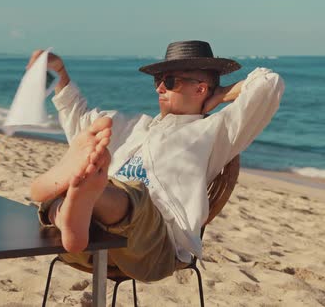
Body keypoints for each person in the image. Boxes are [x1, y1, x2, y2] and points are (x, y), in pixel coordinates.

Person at [29, 40, 285, 281]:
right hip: (91, 240)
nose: (160, 88)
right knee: (79, 173)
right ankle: (71, 210)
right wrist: (59, 71)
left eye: (170, 81)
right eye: (158, 81)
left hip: (154, 243)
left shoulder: (216, 132)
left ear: (200, 88)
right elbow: (77, 115)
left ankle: (80, 199)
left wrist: (219, 95)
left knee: (126, 193)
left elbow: (269, 83)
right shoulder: (131, 125)